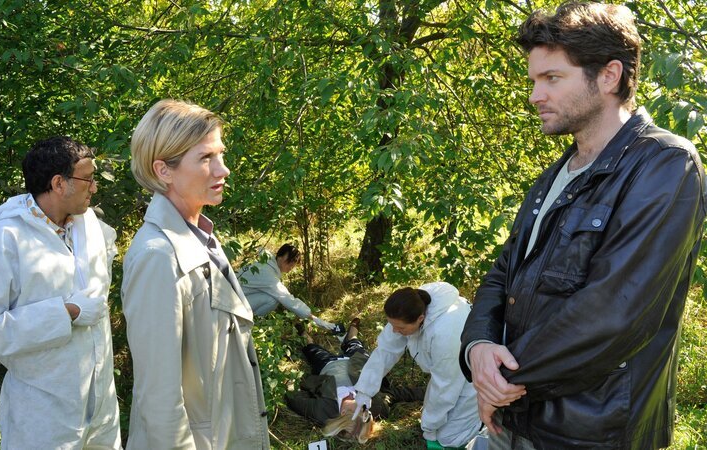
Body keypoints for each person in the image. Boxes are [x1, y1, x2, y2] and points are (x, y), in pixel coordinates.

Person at [459, 2, 707, 449]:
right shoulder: (555, 176)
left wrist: (501, 385)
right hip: (516, 420)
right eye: (534, 80)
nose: (535, 95)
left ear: (609, 76)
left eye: (552, 78)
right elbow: (503, 273)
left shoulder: (666, 165)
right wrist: (477, 349)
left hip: (590, 432)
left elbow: (614, 314)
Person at [0, 136, 121, 449]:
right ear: (59, 183)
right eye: (89, 178)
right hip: (43, 416)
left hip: (102, 409)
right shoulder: (3, 240)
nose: (95, 187)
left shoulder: (91, 229)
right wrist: (66, 313)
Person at [122, 99, 270, 449]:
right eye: (206, 158)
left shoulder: (199, 235)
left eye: (220, 154)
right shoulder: (157, 256)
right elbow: (159, 397)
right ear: (164, 170)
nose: (223, 170)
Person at [353, 282, 480, 449]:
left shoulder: (447, 331)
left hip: (473, 374)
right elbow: (385, 351)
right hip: (448, 371)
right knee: (437, 426)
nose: (394, 331)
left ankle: (484, 424)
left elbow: (445, 387)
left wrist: (429, 426)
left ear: (421, 319)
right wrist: (364, 391)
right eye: (392, 325)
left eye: (400, 328)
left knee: (451, 438)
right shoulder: (407, 310)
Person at [285, 318, 425, 444]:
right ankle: (351, 333)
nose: (366, 408)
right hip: (358, 362)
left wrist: (289, 380)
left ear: (343, 412)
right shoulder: (376, 407)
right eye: (366, 413)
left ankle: (304, 334)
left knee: (311, 348)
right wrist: (430, 392)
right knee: (354, 342)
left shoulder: (322, 411)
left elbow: (293, 398)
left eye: (360, 410)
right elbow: (397, 393)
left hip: (327, 365)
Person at [237, 244, 340, 332]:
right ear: (280, 257)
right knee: (273, 299)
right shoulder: (266, 272)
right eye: (289, 261)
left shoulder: (265, 262)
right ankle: (247, 324)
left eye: (294, 262)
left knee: (272, 297)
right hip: (233, 303)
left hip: (236, 296)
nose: (291, 265)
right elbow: (287, 299)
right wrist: (316, 320)